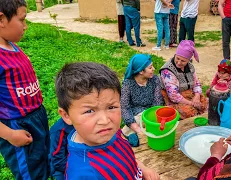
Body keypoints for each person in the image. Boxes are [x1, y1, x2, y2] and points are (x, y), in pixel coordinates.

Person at [55, 62, 160, 179]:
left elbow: (124, 154)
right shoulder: (84, 174)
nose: (105, 121)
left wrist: (141, 168)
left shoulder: (110, 132)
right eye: (89, 111)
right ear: (66, 116)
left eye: (111, 107)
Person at [0, 0, 50, 179]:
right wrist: (10, 135)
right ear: (1, 19)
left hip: (37, 118)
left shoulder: (11, 45)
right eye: (22, 20)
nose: (25, 26)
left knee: (44, 163)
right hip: (18, 125)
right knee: (31, 173)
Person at [121, 54, 164, 146]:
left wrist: (151, 118)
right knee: (136, 122)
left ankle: (131, 133)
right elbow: (125, 107)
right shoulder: (128, 84)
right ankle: (135, 132)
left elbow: (157, 101)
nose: (153, 69)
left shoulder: (154, 79)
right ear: (141, 71)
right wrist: (136, 128)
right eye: (150, 67)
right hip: (136, 112)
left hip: (152, 111)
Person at [160, 40, 207, 119]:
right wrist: (192, 103)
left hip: (189, 94)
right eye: (177, 58)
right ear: (175, 54)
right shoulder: (167, 71)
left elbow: (196, 83)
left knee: (206, 104)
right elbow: (173, 95)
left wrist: (197, 96)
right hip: (175, 99)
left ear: (188, 60)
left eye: (183, 61)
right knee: (190, 112)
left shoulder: (190, 66)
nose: (178, 62)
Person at [206, 59, 231, 126]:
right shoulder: (217, 76)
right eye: (219, 72)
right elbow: (212, 85)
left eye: (223, 73)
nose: (220, 75)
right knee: (213, 110)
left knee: (222, 113)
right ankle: (212, 120)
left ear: (229, 73)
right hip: (215, 99)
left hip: (225, 102)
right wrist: (211, 89)